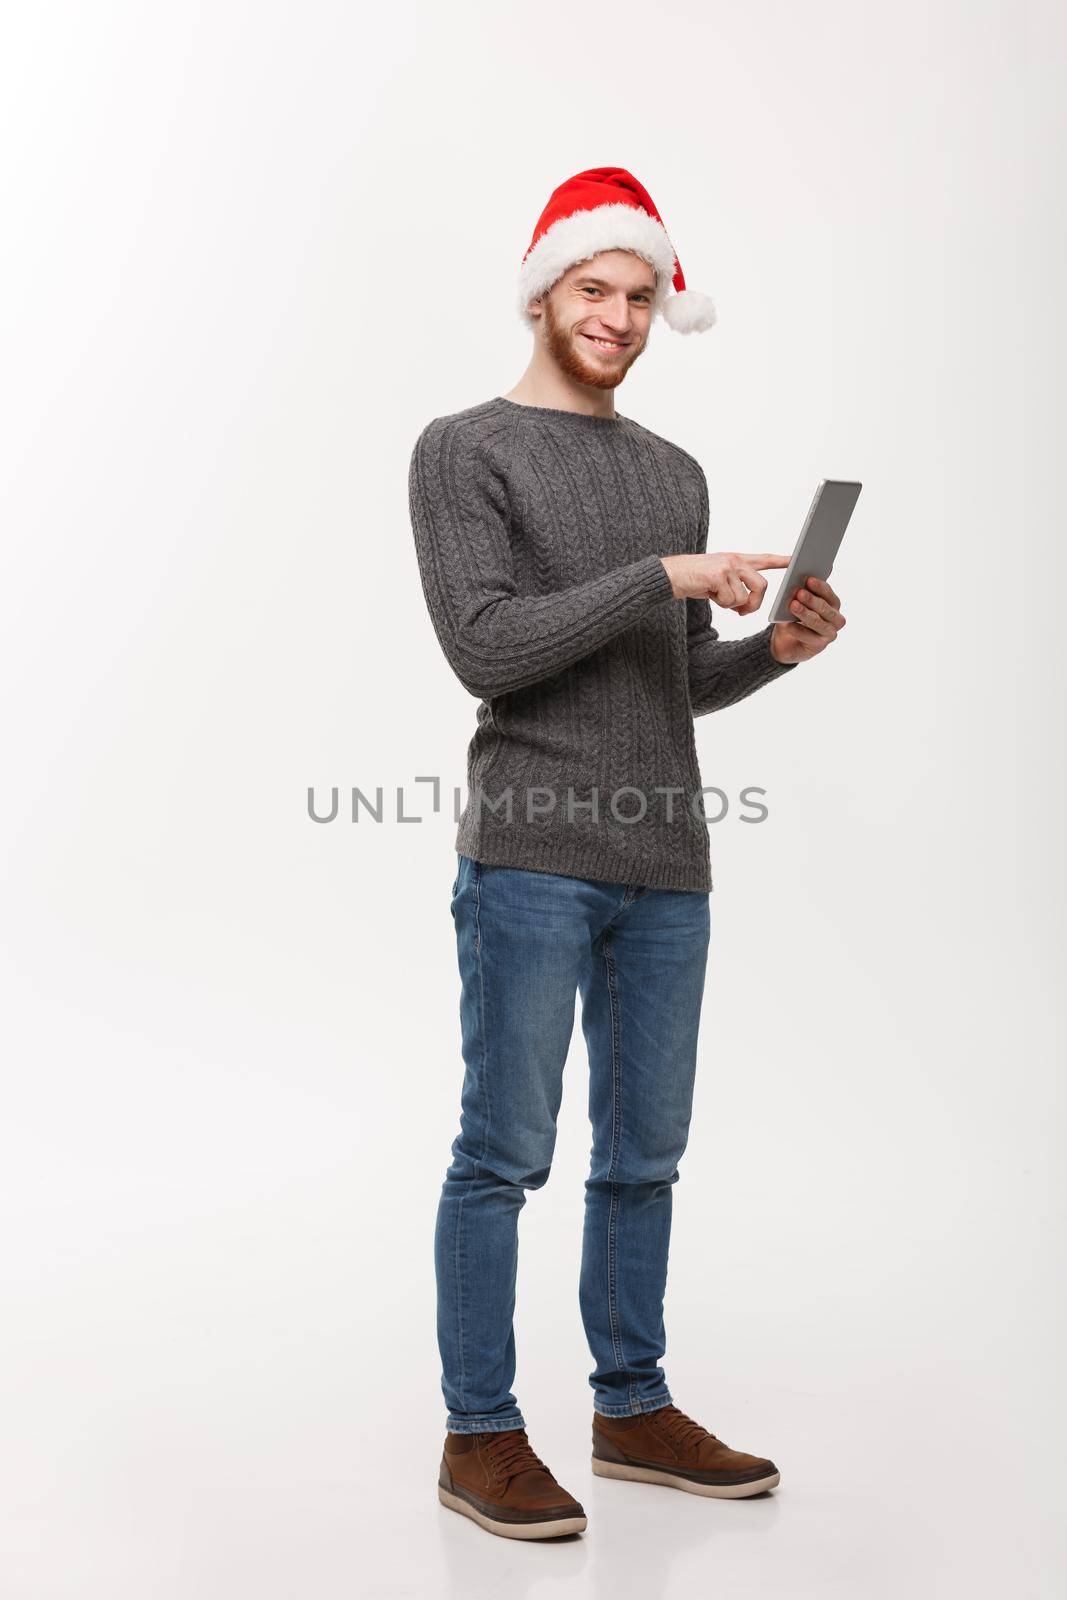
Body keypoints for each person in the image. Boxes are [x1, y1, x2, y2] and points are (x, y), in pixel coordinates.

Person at [408, 167, 847, 1542]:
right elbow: (489, 645)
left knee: (645, 1155)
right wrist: (663, 576)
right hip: (532, 854)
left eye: (640, 295)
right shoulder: (463, 448)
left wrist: (767, 653)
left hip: (668, 865)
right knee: (505, 1152)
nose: (617, 314)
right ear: (545, 292)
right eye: (594, 289)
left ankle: (631, 1405)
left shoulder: (671, 471)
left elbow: (668, 686)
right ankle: (479, 1435)